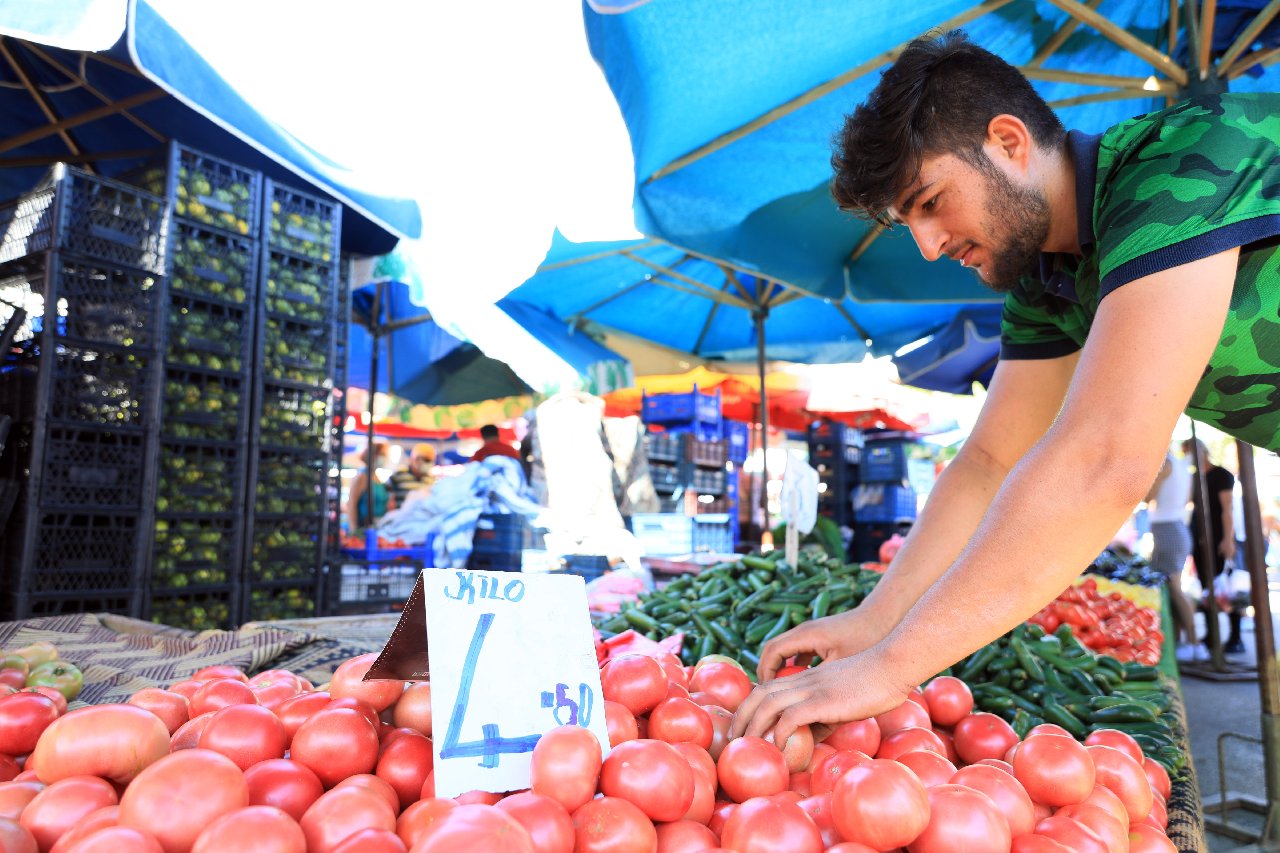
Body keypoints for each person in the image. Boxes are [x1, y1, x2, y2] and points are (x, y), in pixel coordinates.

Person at [730, 30, 1280, 742]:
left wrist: (892, 666)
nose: (928, 246)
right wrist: (875, 619)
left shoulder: (1174, 162)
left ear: (1009, 142)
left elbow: (1104, 459)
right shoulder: (1050, 283)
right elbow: (987, 464)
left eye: (930, 202)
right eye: (909, 224)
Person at [1183, 438, 1243, 654]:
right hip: (1199, 539)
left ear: (1203, 451)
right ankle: (1211, 634)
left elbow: (1228, 509)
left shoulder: (1221, 475)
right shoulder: (1194, 478)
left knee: (1227, 588)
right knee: (1206, 587)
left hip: (1219, 538)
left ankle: (1235, 637)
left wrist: (1228, 539)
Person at [1145, 445, 1197, 659]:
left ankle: (1194, 643)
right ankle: (1187, 642)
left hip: (1167, 529)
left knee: (1174, 588)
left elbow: (1148, 497)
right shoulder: (1181, 464)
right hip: (1175, 526)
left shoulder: (1165, 462)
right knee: (1174, 588)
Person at [346, 443, 391, 534]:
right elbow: (351, 505)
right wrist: (354, 531)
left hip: (378, 528)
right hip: (363, 528)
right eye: (382, 455)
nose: (384, 458)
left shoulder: (376, 477)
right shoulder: (362, 477)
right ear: (373, 455)